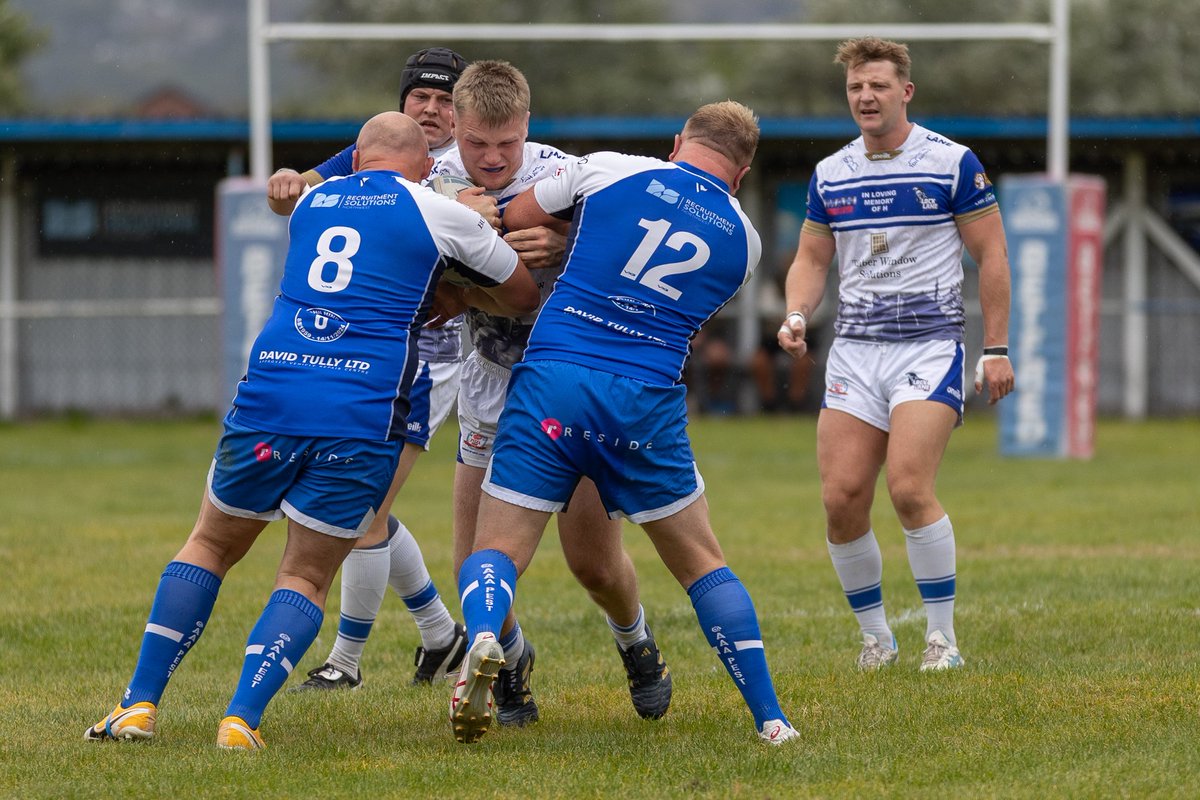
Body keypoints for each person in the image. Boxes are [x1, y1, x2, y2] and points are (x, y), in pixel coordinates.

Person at [84, 112, 538, 750]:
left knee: (208, 545)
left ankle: (137, 705)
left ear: (356, 160)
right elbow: (521, 294)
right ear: (426, 168)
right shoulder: (440, 211)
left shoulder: (313, 204)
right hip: (361, 413)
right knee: (304, 576)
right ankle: (240, 720)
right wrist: (460, 291)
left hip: (272, 393)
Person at [451, 100, 798, 746]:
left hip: (554, 380)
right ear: (742, 173)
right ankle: (771, 718)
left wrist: (559, 236)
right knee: (702, 564)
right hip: (642, 400)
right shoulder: (745, 239)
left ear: (678, 142)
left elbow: (514, 216)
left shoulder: (610, 169)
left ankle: (484, 639)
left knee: (495, 550)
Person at [432, 60, 673, 727]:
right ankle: (509, 663)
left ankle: (636, 641)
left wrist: (566, 241)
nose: (491, 158)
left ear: (527, 127)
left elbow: (627, 257)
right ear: (454, 125)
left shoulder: (564, 176)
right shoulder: (433, 182)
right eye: (476, 143)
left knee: (593, 562)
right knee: (472, 558)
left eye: (506, 143)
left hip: (570, 377)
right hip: (491, 377)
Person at [777, 37, 1016, 672]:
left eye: (878, 85)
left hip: (929, 345)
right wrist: (797, 313)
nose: (866, 96)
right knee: (842, 498)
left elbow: (991, 254)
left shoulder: (951, 162)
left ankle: (942, 639)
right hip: (855, 352)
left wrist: (996, 347)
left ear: (905, 92)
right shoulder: (831, 173)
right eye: (856, 87)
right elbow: (812, 259)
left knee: (909, 487)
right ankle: (876, 639)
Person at [265, 47, 477, 692]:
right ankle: (439, 634)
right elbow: (299, 189)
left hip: (430, 359)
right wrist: (285, 180)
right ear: (403, 102)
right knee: (365, 508)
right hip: (363, 358)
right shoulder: (379, 152)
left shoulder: (478, 160)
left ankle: (347, 661)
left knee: (361, 511)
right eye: (421, 97)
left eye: (445, 100)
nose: (432, 110)